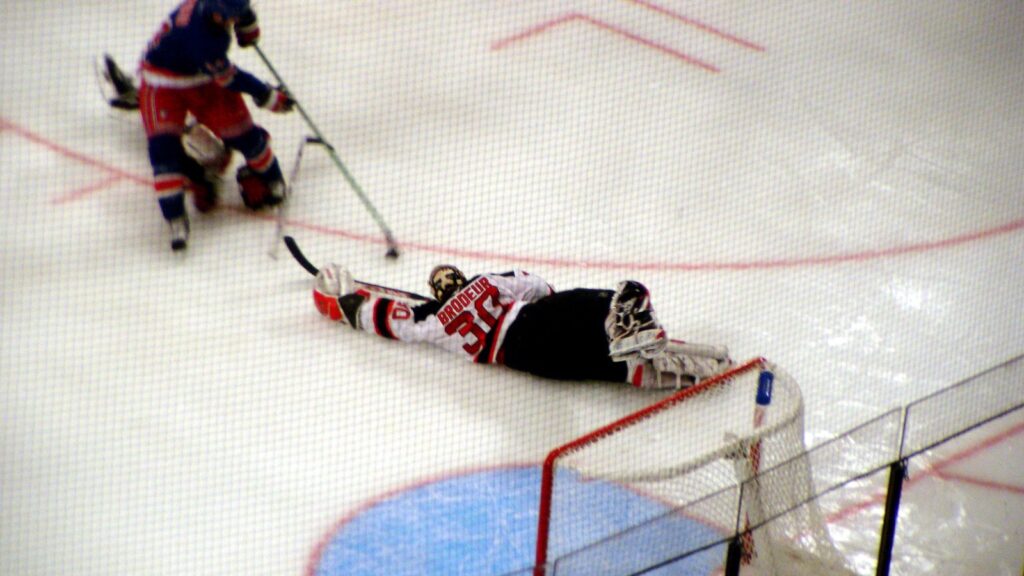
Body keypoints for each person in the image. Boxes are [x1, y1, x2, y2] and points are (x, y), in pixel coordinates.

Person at [311, 263, 733, 389]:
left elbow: (389, 320)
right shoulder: (487, 283)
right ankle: (622, 321)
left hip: (525, 360)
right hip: (529, 323)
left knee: (591, 366)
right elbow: (541, 287)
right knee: (589, 302)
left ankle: (644, 368)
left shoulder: (435, 318)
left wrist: (341, 305)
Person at [137, 0, 295, 250]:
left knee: (244, 135)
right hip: (161, 84)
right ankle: (176, 218)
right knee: (163, 153)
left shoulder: (212, 9)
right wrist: (267, 95)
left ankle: (273, 179)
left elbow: (242, 19)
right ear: (219, 14)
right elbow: (231, 78)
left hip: (202, 77)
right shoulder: (202, 39)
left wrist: (247, 24)